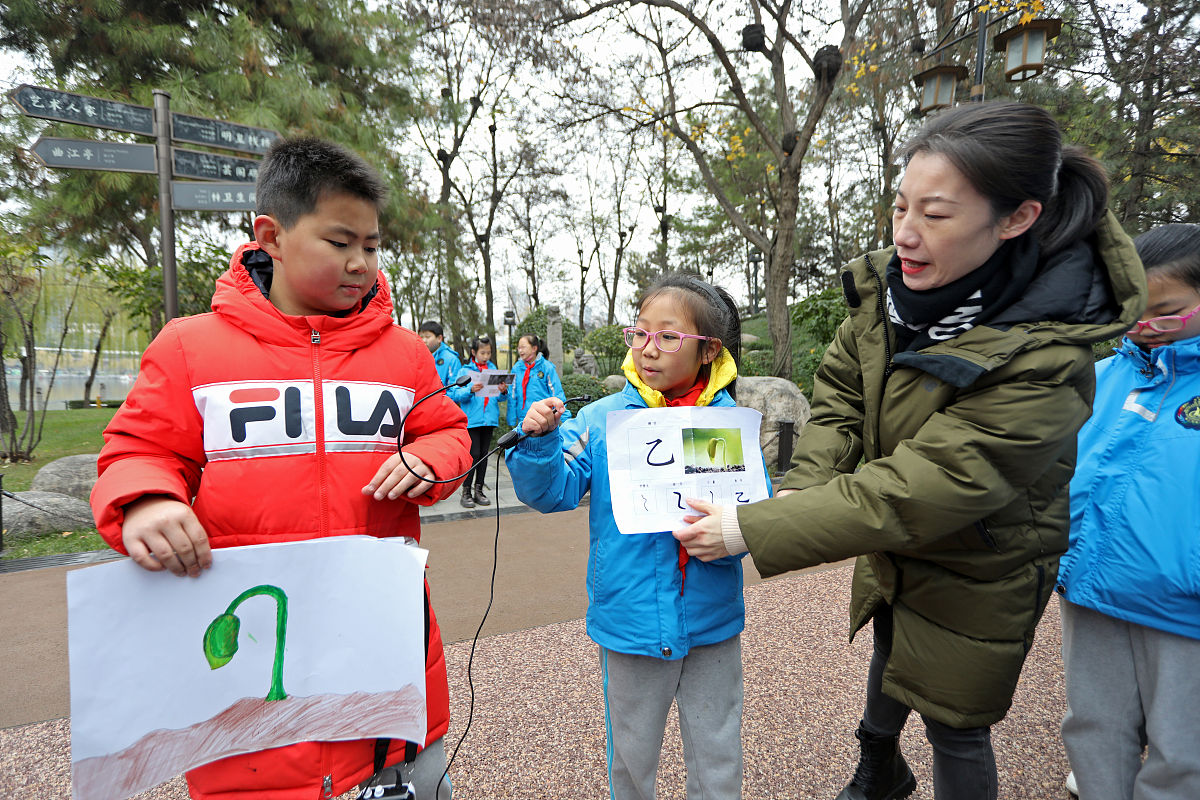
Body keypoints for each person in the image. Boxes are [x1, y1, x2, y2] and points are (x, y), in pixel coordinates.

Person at [672, 101, 1147, 800]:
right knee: (893, 647)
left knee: (957, 719)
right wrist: (808, 483)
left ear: (1016, 218)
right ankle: (880, 767)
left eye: (936, 214)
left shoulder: (1049, 350)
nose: (906, 236)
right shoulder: (890, 294)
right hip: (894, 538)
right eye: (899, 209)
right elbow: (841, 392)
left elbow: (929, 483)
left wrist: (751, 527)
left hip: (985, 556)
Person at [89, 137, 471, 800]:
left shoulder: (407, 354)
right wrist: (147, 501)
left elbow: (446, 434)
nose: (361, 263)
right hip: (248, 688)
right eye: (340, 241)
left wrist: (429, 459)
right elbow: (137, 451)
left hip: (388, 669)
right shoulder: (189, 348)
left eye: (373, 246)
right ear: (271, 235)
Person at [506, 273, 756, 799]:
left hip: (712, 622)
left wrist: (740, 525)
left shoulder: (727, 422)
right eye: (639, 333)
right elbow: (555, 491)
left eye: (668, 337)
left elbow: (754, 512)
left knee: (718, 753)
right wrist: (539, 444)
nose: (648, 349)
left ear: (708, 350)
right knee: (631, 759)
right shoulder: (602, 420)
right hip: (629, 620)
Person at [1058, 223, 1200, 800]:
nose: (1143, 328)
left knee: (1182, 752)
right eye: (1131, 311)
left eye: (1165, 312)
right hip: (1092, 590)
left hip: (1184, 607)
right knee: (1092, 730)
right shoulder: (1099, 377)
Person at [448, 334, 508, 508]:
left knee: (484, 455)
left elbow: (499, 399)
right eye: (482, 352)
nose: (486, 356)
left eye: (488, 353)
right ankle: (466, 491)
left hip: (489, 419)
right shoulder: (464, 371)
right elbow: (454, 394)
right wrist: (470, 390)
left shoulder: (493, 369)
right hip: (472, 420)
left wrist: (502, 391)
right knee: (473, 455)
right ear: (473, 352)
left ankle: (479, 491)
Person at [506, 332, 566, 427]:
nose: (520, 350)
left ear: (534, 348)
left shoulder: (547, 367)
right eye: (519, 348)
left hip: (543, 418)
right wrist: (511, 421)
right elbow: (512, 395)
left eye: (523, 347)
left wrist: (564, 419)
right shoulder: (515, 368)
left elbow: (557, 393)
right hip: (524, 419)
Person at [419, 320, 462, 387]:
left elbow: (455, 389)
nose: (424, 341)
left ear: (439, 338)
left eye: (427, 337)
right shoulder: (417, 358)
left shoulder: (451, 359)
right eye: (421, 337)